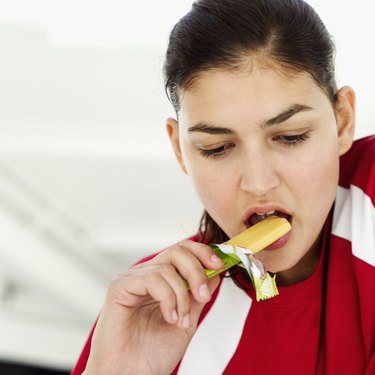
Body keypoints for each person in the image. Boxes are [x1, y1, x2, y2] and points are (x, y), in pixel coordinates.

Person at [71, 0, 375, 374]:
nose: (258, 182)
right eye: (217, 148)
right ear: (180, 150)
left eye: (291, 137)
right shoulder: (154, 302)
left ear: (342, 122)